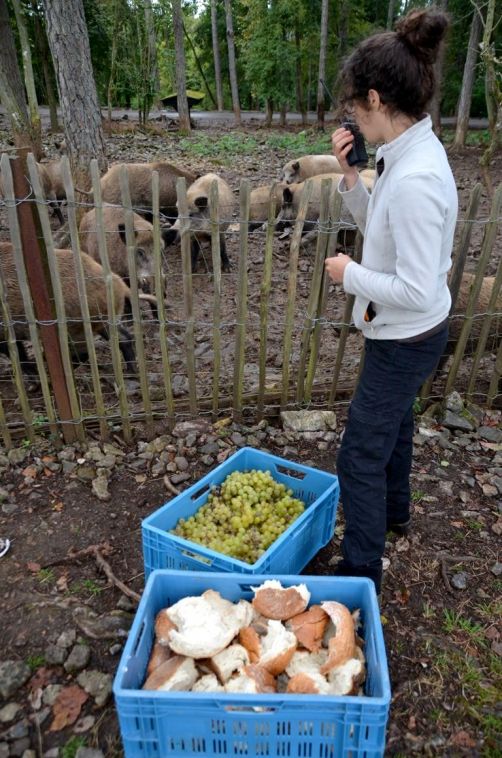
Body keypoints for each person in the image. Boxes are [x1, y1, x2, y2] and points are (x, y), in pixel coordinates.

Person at [326, 7, 458, 595]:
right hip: (408, 332)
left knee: (358, 455)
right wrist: (351, 180)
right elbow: (384, 229)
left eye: (355, 106)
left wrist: (350, 274)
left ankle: (360, 573)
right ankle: (395, 512)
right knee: (396, 425)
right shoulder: (403, 156)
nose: (352, 117)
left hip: (405, 337)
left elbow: (417, 287)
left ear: (376, 99)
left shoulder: (416, 180)